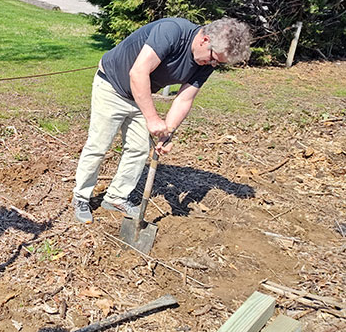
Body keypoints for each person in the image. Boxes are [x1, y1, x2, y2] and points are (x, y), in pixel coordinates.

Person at [72, 17, 251, 223]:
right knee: (99, 145)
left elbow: (184, 98)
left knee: (138, 150)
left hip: (141, 94)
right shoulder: (172, 32)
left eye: (218, 63)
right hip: (112, 85)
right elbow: (138, 73)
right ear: (205, 40)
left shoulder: (207, 62)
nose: (212, 64)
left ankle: (116, 197)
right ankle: (81, 197)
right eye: (214, 58)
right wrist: (152, 118)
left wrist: (167, 131)